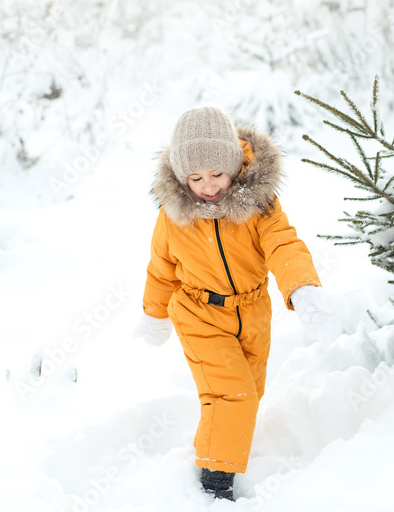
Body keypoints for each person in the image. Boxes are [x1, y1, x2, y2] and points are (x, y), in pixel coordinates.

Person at [134, 105, 341, 501]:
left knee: (250, 391)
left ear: (234, 164)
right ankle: (213, 483)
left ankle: (218, 452)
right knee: (233, 395)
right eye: (195, 177)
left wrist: (303, 287)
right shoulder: (173, 217)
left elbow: (284, 243)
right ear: (181, 177)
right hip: (199, 314)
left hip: (252, 312)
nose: (208, 186)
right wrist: (154, 314)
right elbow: (160, 268)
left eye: (217, 174)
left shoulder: (258, 205)